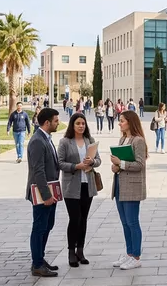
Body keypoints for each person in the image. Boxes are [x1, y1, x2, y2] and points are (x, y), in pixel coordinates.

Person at [57, 113, 102, 267]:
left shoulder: (90, 141)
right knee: (74, 219)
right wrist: (76, 166)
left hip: (87, 185)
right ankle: (71, 251)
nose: (81, 126)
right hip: (71, 186)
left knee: (83, 219)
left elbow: (99, 161)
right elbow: (60, 163)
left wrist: (93, 161)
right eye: (78, 123)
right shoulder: (65, 142)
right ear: (72, 125)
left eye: (83, 123)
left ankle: (80, 250)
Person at [110, 110, 149, 270]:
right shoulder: (122, 139)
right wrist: (116, 167)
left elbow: (140, 164)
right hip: (120, 183)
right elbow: (121, 163)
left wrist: (121, 163)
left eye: (122, 121)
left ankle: (136, 256)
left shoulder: (138, 141)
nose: (119, 123)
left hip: (132, 186)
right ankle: (129, 253)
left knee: (132, 222)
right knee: (125, 222)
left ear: (130, 122)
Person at [26, 108, 62, 277]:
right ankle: (37, 264)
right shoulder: (37, 141)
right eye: (55, 121)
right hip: (42, 193)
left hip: (51, 190)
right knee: (39, 227)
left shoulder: (46, 138)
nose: (58, 123)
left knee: (47, 225)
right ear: (47, 122)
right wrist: (46, 196)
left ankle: (40, 258)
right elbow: (38, 171)